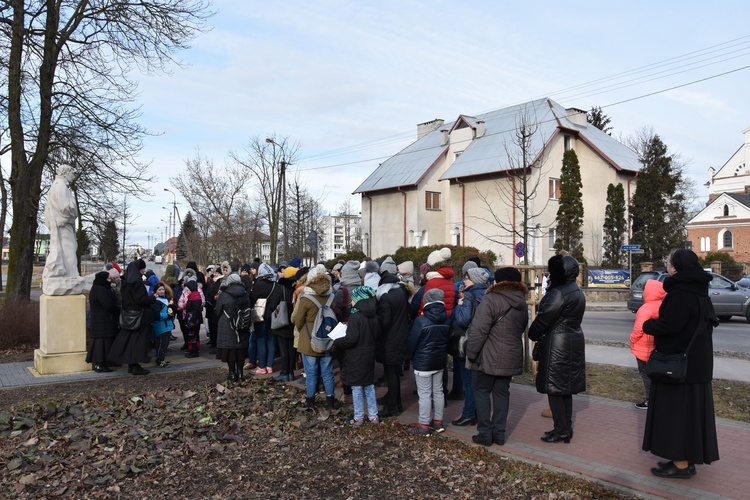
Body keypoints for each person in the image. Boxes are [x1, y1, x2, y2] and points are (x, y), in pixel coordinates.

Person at [642, 249, 720, 479]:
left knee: (676, 415)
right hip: (696, 365)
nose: (666, 265)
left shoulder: (680, 293)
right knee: (689, 416)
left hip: (677, 366)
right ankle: (684, 459)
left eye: (668, 262)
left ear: (676, 267)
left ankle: (682, 465)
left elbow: (671, 326)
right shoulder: (699, 291)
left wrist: (649, 325)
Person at [465, 267, 528, 446]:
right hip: (510, 354)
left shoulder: (490, 299)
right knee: (502, 393)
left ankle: (485, 433)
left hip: (488, 355)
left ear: (498, 282)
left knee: (482, 391)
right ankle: (499, 434)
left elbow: (479, 330)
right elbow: (522, 327)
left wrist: (471, 353)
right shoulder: (521, 302)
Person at [528, 254, 586, 443]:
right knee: (565, 389)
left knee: (555, 389)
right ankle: (564, 428)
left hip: (557, 345)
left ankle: (561, 430)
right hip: (572, 340)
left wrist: (532, 333)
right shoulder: (576, 290)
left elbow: (544, 319)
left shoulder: (559, 292)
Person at [292, 264, 341, 410]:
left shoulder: (306, 298)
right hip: (326, 339)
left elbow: (297, 321)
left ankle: (310, 402)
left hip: (309, 340)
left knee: (311, 373)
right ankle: (330, 401)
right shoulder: (332, 297)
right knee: (327, 372)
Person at [334, 286, 380, 426]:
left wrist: (337, 341)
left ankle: (359, 417)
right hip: (369, 354)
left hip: (356, 356)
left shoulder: (355, 316)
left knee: (357, 387)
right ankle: (374, 416)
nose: (351, 302)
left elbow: (351, 339)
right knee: (369, 386)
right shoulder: (375, 315)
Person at [450, 265, 489, 427]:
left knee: (468, 381)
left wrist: (459, 305)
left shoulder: (468, 296)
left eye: (466, 278)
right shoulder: (488, 295)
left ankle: (468, 414)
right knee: (479, 383)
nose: (464, 280)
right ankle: (479, 414)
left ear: (473, 280)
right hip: (482, 343)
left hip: (467, 343)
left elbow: (462, 320)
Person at [406, 288, 449, 435]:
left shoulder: (420, 321)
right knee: (438, 392)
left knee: (424, 394)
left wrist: (412, 358)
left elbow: (412, 343)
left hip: (423, 363)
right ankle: (438, 422)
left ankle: (423, 425)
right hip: (439, 361)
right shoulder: (447, 319)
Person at [109, 259, 157, 375]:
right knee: (137, 342)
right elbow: (141, 300)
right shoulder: (137, 283)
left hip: (127, 315)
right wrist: (152, 298)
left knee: (129, 341)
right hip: (139, 316)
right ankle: (135, 365)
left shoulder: (125, 283)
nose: (143, 271)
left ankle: (132, 364)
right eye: (142, 269)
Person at [42, 165, 84, 294]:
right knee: (68, 249)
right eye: (72, 173)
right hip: (63, 224)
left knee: (67, 249)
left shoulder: (58, 185)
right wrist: (73, 212)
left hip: (62, 224)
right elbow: (65, 206)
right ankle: (71, 275)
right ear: (66, 173)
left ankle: (69, 273)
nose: (73, 176)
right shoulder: (60, 185)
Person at [375, 269, 412, 418]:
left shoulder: (386, 298)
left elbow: (384, 322)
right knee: (394, 372)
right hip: (400, 336)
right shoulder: (400, 293)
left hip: (389, 340)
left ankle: (392, 406)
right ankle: (394, 400)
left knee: (391, 373)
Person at [629, 279, 665, 410]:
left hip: (643, 347)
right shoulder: (662, 305)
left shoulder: (645, 309)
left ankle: (650, 400)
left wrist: (632, 339)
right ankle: (657, 398)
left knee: (645, 373)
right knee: (656, 374)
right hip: (656, 347)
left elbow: (639, 328)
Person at [214, 273, 250, 382]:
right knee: (240, 351)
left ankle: (232, 373)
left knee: (230, 351)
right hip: (242, 325)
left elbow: (217, 310)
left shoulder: (224, 294)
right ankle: (240, 373)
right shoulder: (245, 293)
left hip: (227, 325)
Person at [86, 271, 120, 372]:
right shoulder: (101, 290)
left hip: (101, 321)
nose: (110, 281)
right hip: (102, 321)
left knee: (102, 343)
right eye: (109, 279)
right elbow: (108, 304)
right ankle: (100, 364)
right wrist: (118, 310)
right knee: (102, 343)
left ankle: (102, 363)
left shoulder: (98, 288)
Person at [268, 266, 297, 382]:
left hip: (282, 322)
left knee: (283, 348)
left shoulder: (281, 288)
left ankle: (285, 372)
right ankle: (291, 372)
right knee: (292, 349)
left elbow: (272, 304)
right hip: (294, 322)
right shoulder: (298, 288)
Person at [249, 263, 277, 375]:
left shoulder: (258, 284)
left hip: (260, 315)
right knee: (270, 340)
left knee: (261, 340)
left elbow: (252, 299)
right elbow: (276, 300)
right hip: (271, 315)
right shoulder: (275, 284)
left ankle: (261, 367)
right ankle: (269, 366)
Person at [150, 281, 174, 367]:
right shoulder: (156, 301)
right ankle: (159, 360)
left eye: (163, 289)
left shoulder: (165, 300)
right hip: (161, 326)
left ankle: (162, 358)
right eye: (159, 289)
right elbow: (156, 315)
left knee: (165, 343)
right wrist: (167, 315)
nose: (162, 291)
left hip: (166, 325)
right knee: (161, 344)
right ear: (155, 291)